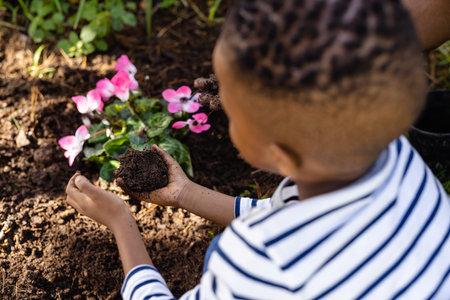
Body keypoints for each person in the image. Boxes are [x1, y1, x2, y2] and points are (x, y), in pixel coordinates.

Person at [65, 0, 450, 298]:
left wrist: (122, 224)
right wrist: (184, 193)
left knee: (217, 252)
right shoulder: (394, 156)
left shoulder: (259, 259)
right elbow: (288, 212)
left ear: (277, 151)